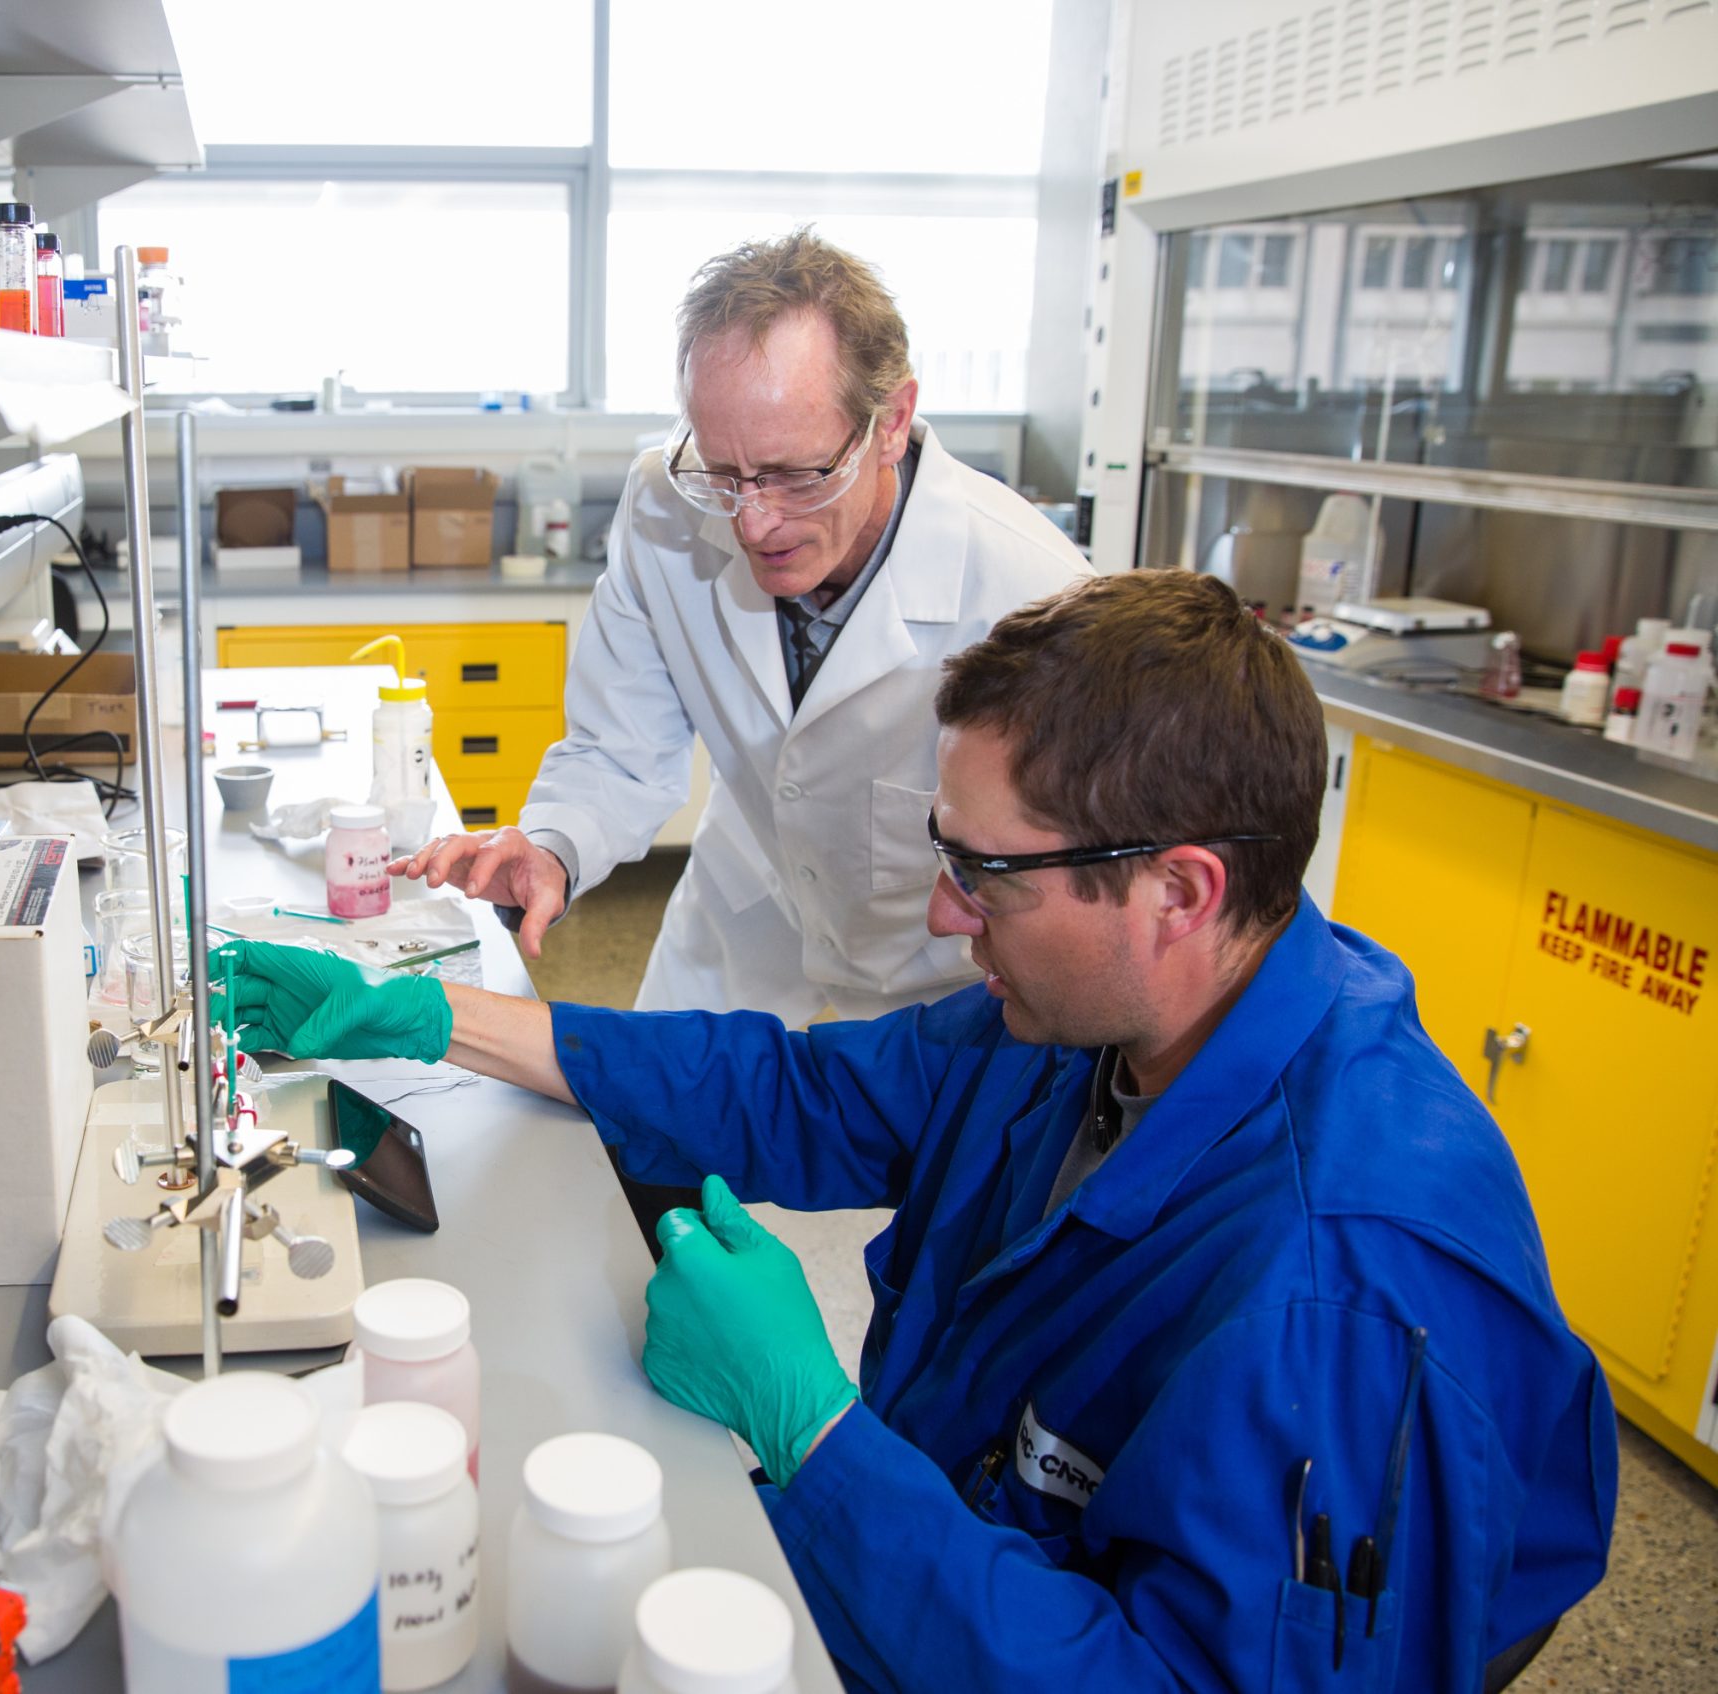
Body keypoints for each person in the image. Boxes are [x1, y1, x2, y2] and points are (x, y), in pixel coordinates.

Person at [216, 571, 1614, 1692]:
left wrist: (812, 1428)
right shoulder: (1091, 1020)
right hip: (966, 1540)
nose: (946, 915)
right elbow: (802, 1092)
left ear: (1178, 890)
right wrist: (432, 1017)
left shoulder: (1340, 1295)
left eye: (986, 873)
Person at [395, 229, 1089, 1033]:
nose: (754, 522)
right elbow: (620, 749)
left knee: (921, 1147)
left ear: (891, 421)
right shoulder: (665, 502)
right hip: (752, 893)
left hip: (945, 967)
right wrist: (551, 845)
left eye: (796, 476)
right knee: (663, 1130)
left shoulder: (1035, 596)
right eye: (721, 473)